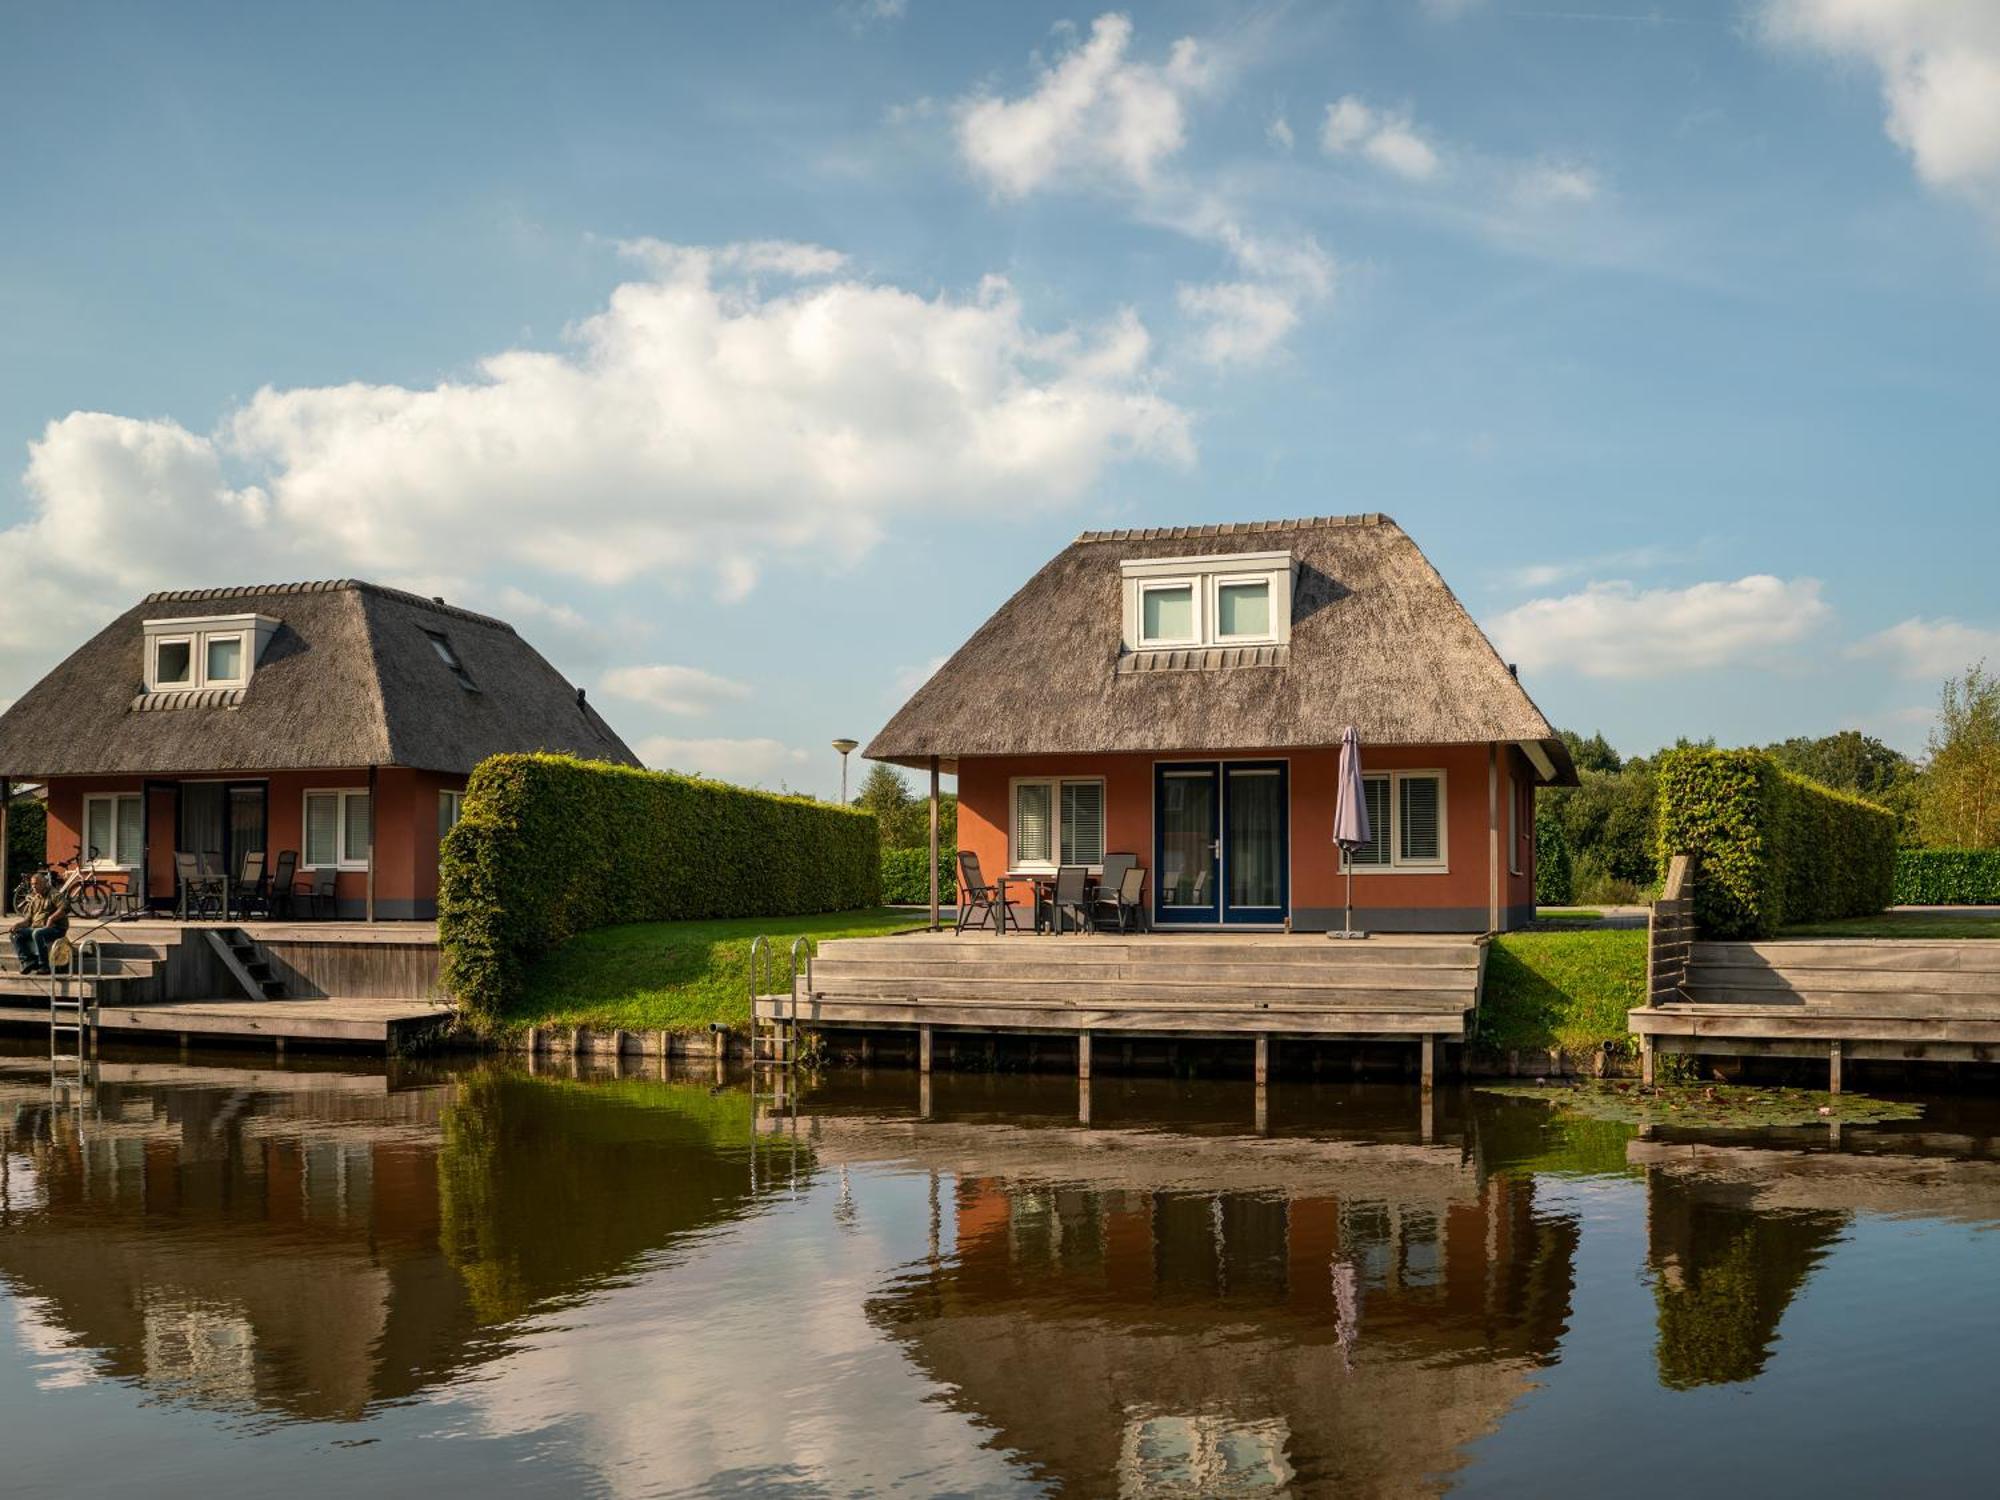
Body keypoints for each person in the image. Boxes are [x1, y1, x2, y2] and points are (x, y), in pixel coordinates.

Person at [8, 872, 69, 976]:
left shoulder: (54, 894)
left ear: (44, 883)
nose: (33, 887)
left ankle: (44, 965)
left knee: (37, 933)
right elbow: (27, 920)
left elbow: (64, 908)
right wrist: (17, 925)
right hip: (37, 927)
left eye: (36, 884)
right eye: (32, 884)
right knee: (16, 934)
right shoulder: (34, 899)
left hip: (56, 928)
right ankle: (27, 961)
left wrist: (51, 918)